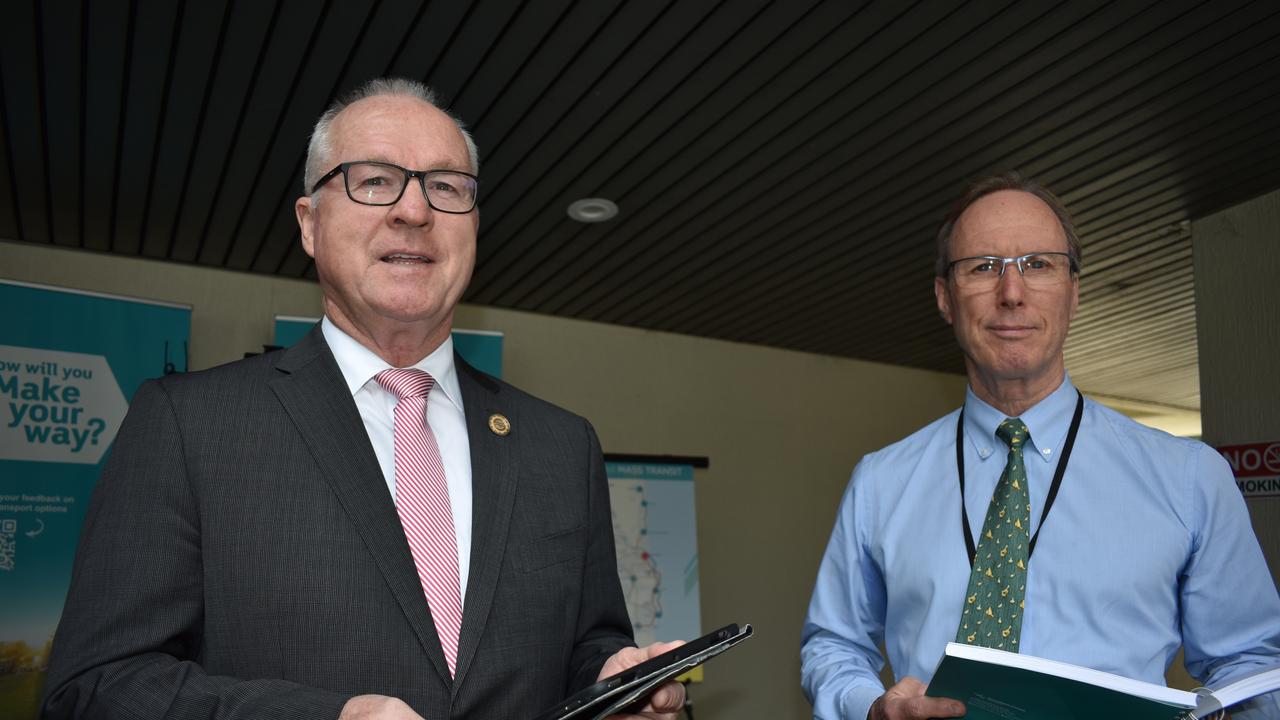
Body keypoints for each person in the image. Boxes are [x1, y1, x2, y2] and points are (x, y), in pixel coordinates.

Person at [42, 78, 685, 720]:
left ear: (474, 226)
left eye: (445, 186)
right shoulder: (187, 426)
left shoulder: (561, 445)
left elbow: (587, 643)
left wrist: (613, 679)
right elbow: (94, 689)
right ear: (310, 225)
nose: (414, 211)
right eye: (374, 180)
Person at [800, 172, 1280, 720]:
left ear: (1073, 292)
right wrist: (869, 708)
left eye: (1038, 264)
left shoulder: (1191, 477)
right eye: (983, 267)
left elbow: (1250, 662)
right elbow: (832, 646)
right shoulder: (879, 483)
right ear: (944, 298)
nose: (1011, 293)